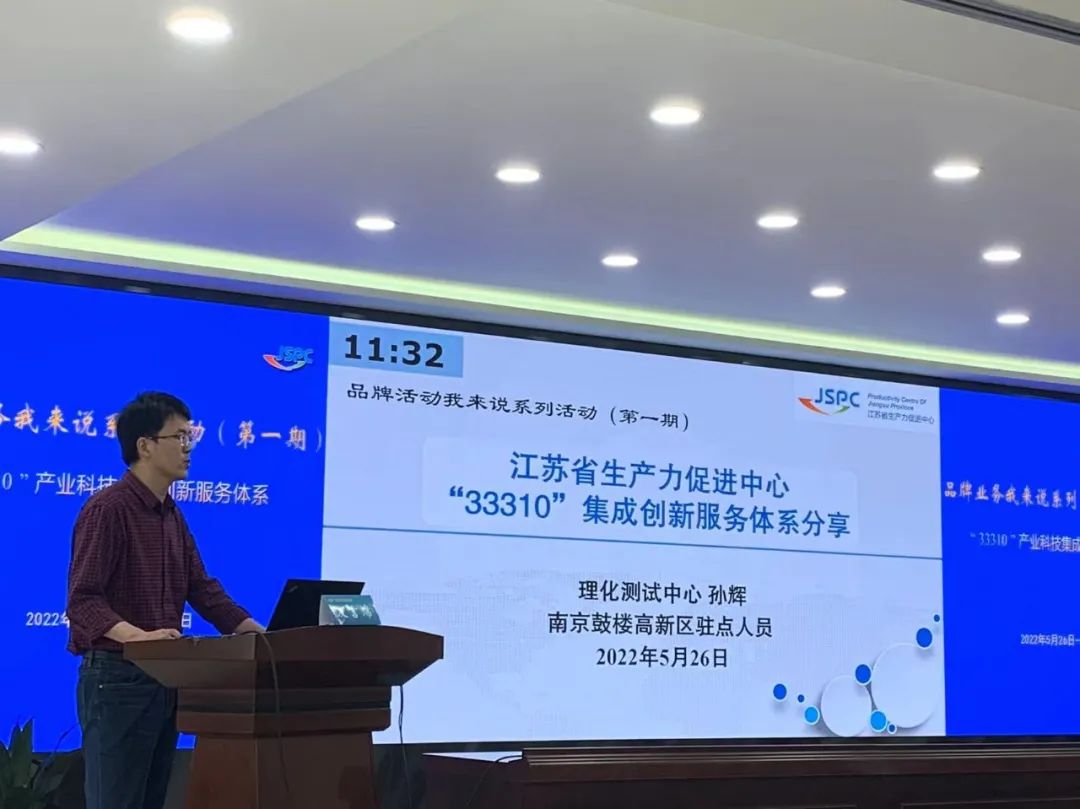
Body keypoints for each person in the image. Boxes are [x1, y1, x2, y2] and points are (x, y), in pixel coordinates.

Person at [66, 392, 264, 809]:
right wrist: (138, 638)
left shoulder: (172, 515)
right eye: (180, 437)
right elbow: (83, 600)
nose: (189, 448)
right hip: (118, 679)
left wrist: (258, 634)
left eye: (191, 437)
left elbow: (202, 589)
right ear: (145, 445)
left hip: (165, 677)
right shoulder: (108, 509)